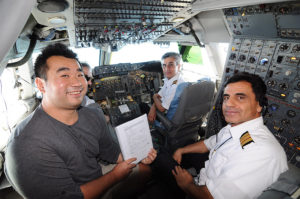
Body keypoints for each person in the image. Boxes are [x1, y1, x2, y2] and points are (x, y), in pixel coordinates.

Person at [4, 43, 156, 199]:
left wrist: (139, 154)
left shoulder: (93, 115)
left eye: (79, 74)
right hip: (75, 192)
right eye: (64, 75)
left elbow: (111, 152)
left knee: (145, 170)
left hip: (96, 175)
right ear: (41, 85)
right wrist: (115, 176)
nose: (77, 83)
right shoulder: (28, 144)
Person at [153, 72, 288, 199]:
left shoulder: (259, 151)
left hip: (204, 192)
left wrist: (187, 184)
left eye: (240, 97)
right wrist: (181, 150)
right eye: (226, 97)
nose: (228, 104)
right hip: (210, 174)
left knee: (162, 158)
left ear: (259, 105)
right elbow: (207, 143)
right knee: (184, 148)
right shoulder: (233, 128)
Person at [147, 52, 185, 123]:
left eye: (171, 65)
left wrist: (154, 97)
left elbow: (162, 109)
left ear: (178, 66)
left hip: (170, 119)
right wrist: (153, 107)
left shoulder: (176, 85)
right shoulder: (171, 79)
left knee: (142, 106)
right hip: (176, 115)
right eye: (164, 65)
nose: (167, 69)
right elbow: (160, 95)